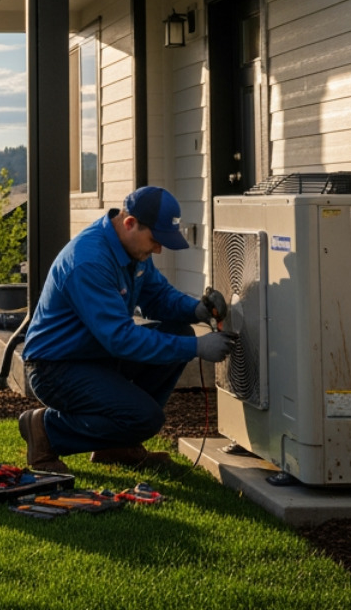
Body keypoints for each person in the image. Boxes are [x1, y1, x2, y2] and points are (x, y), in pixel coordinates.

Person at [17, 186, 233, 473]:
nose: (158, 249)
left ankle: (115, 446)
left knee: (180, 331)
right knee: (146, 418)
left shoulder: (131, 250)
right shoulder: (89, 261)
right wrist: (197, 348)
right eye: (155, 240)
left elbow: (158, 296)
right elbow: (120, 339)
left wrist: (196, 310)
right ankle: (45, 430)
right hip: (56, 367)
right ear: (130, 223)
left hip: (94, 354)